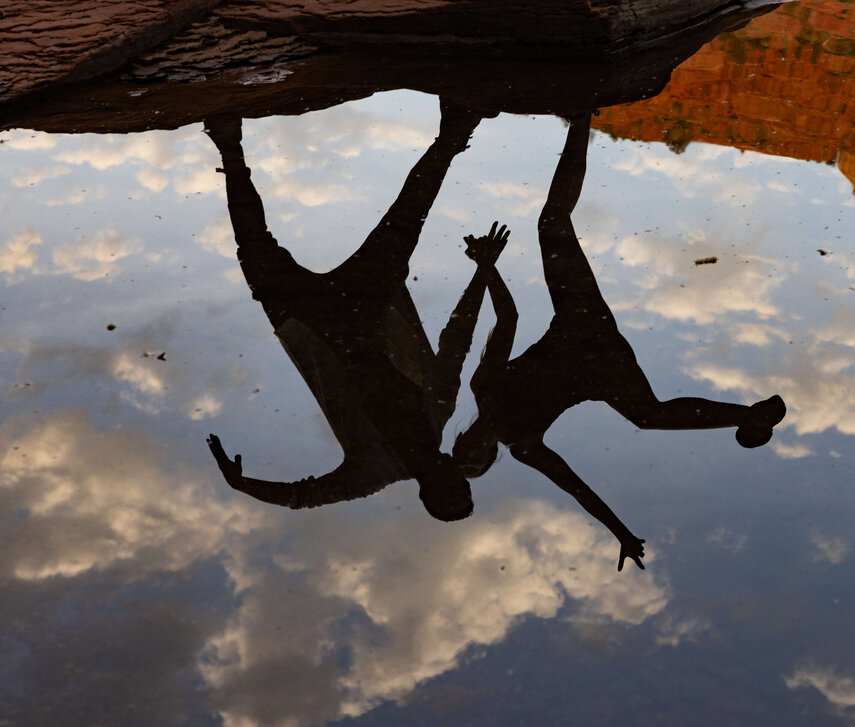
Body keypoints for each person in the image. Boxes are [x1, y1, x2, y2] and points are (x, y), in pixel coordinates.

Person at [455, 115, 786, 569]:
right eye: (477, 461)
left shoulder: (484, 384)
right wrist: (622, 533)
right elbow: (576, 488)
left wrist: (487, 266)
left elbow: (508, 318)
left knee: (551, 220)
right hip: (603, 369)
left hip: (577, 325)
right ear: (491, 455)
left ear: (461, 440)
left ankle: (580, 116)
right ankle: (747, 415)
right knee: (647, 416)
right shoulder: (523, 444)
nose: (473, 451)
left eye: (464, 454)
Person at [203, 102, 492, 521]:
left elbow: (302, 497)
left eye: (455, 487)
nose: (458, 476)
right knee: (405, 221)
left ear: (432, 490)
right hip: (367, 307)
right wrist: (483, 271)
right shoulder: (439, 407)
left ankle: (229, 144)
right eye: (464, 485)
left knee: (255, 243)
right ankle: (453, 133)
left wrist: (243, 484)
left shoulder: (372, 472)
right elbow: (458, 338)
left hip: (311, 325)